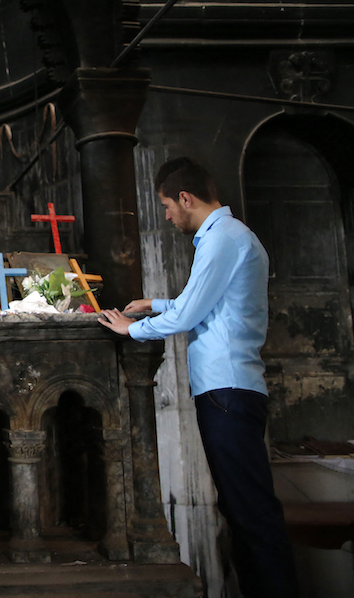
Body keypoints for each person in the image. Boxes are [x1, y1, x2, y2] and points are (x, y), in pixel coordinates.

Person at [98, 157, 298, 598]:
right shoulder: (229, 236)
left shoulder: (222, 238)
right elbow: (205, 302)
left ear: (186, 198)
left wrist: (132, 329)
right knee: (241, 505)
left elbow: (191, 314)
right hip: (231, 387)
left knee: (250, 511)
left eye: (168, 205)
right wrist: (155, 303)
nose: (168, 216)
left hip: (228, 388)